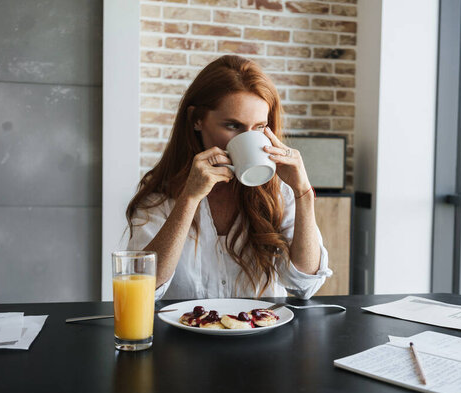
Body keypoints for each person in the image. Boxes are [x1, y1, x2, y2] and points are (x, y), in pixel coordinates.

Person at [126, 55, 332, 300]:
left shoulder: (279, 190)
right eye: (233, 126)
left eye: (258, 127)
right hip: (185, 335)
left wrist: (303, 193)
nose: (246, 139)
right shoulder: (160, 193)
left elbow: (304, 285)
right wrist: (189, 198)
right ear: (196, 120)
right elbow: (143, 289)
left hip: (261, 333)